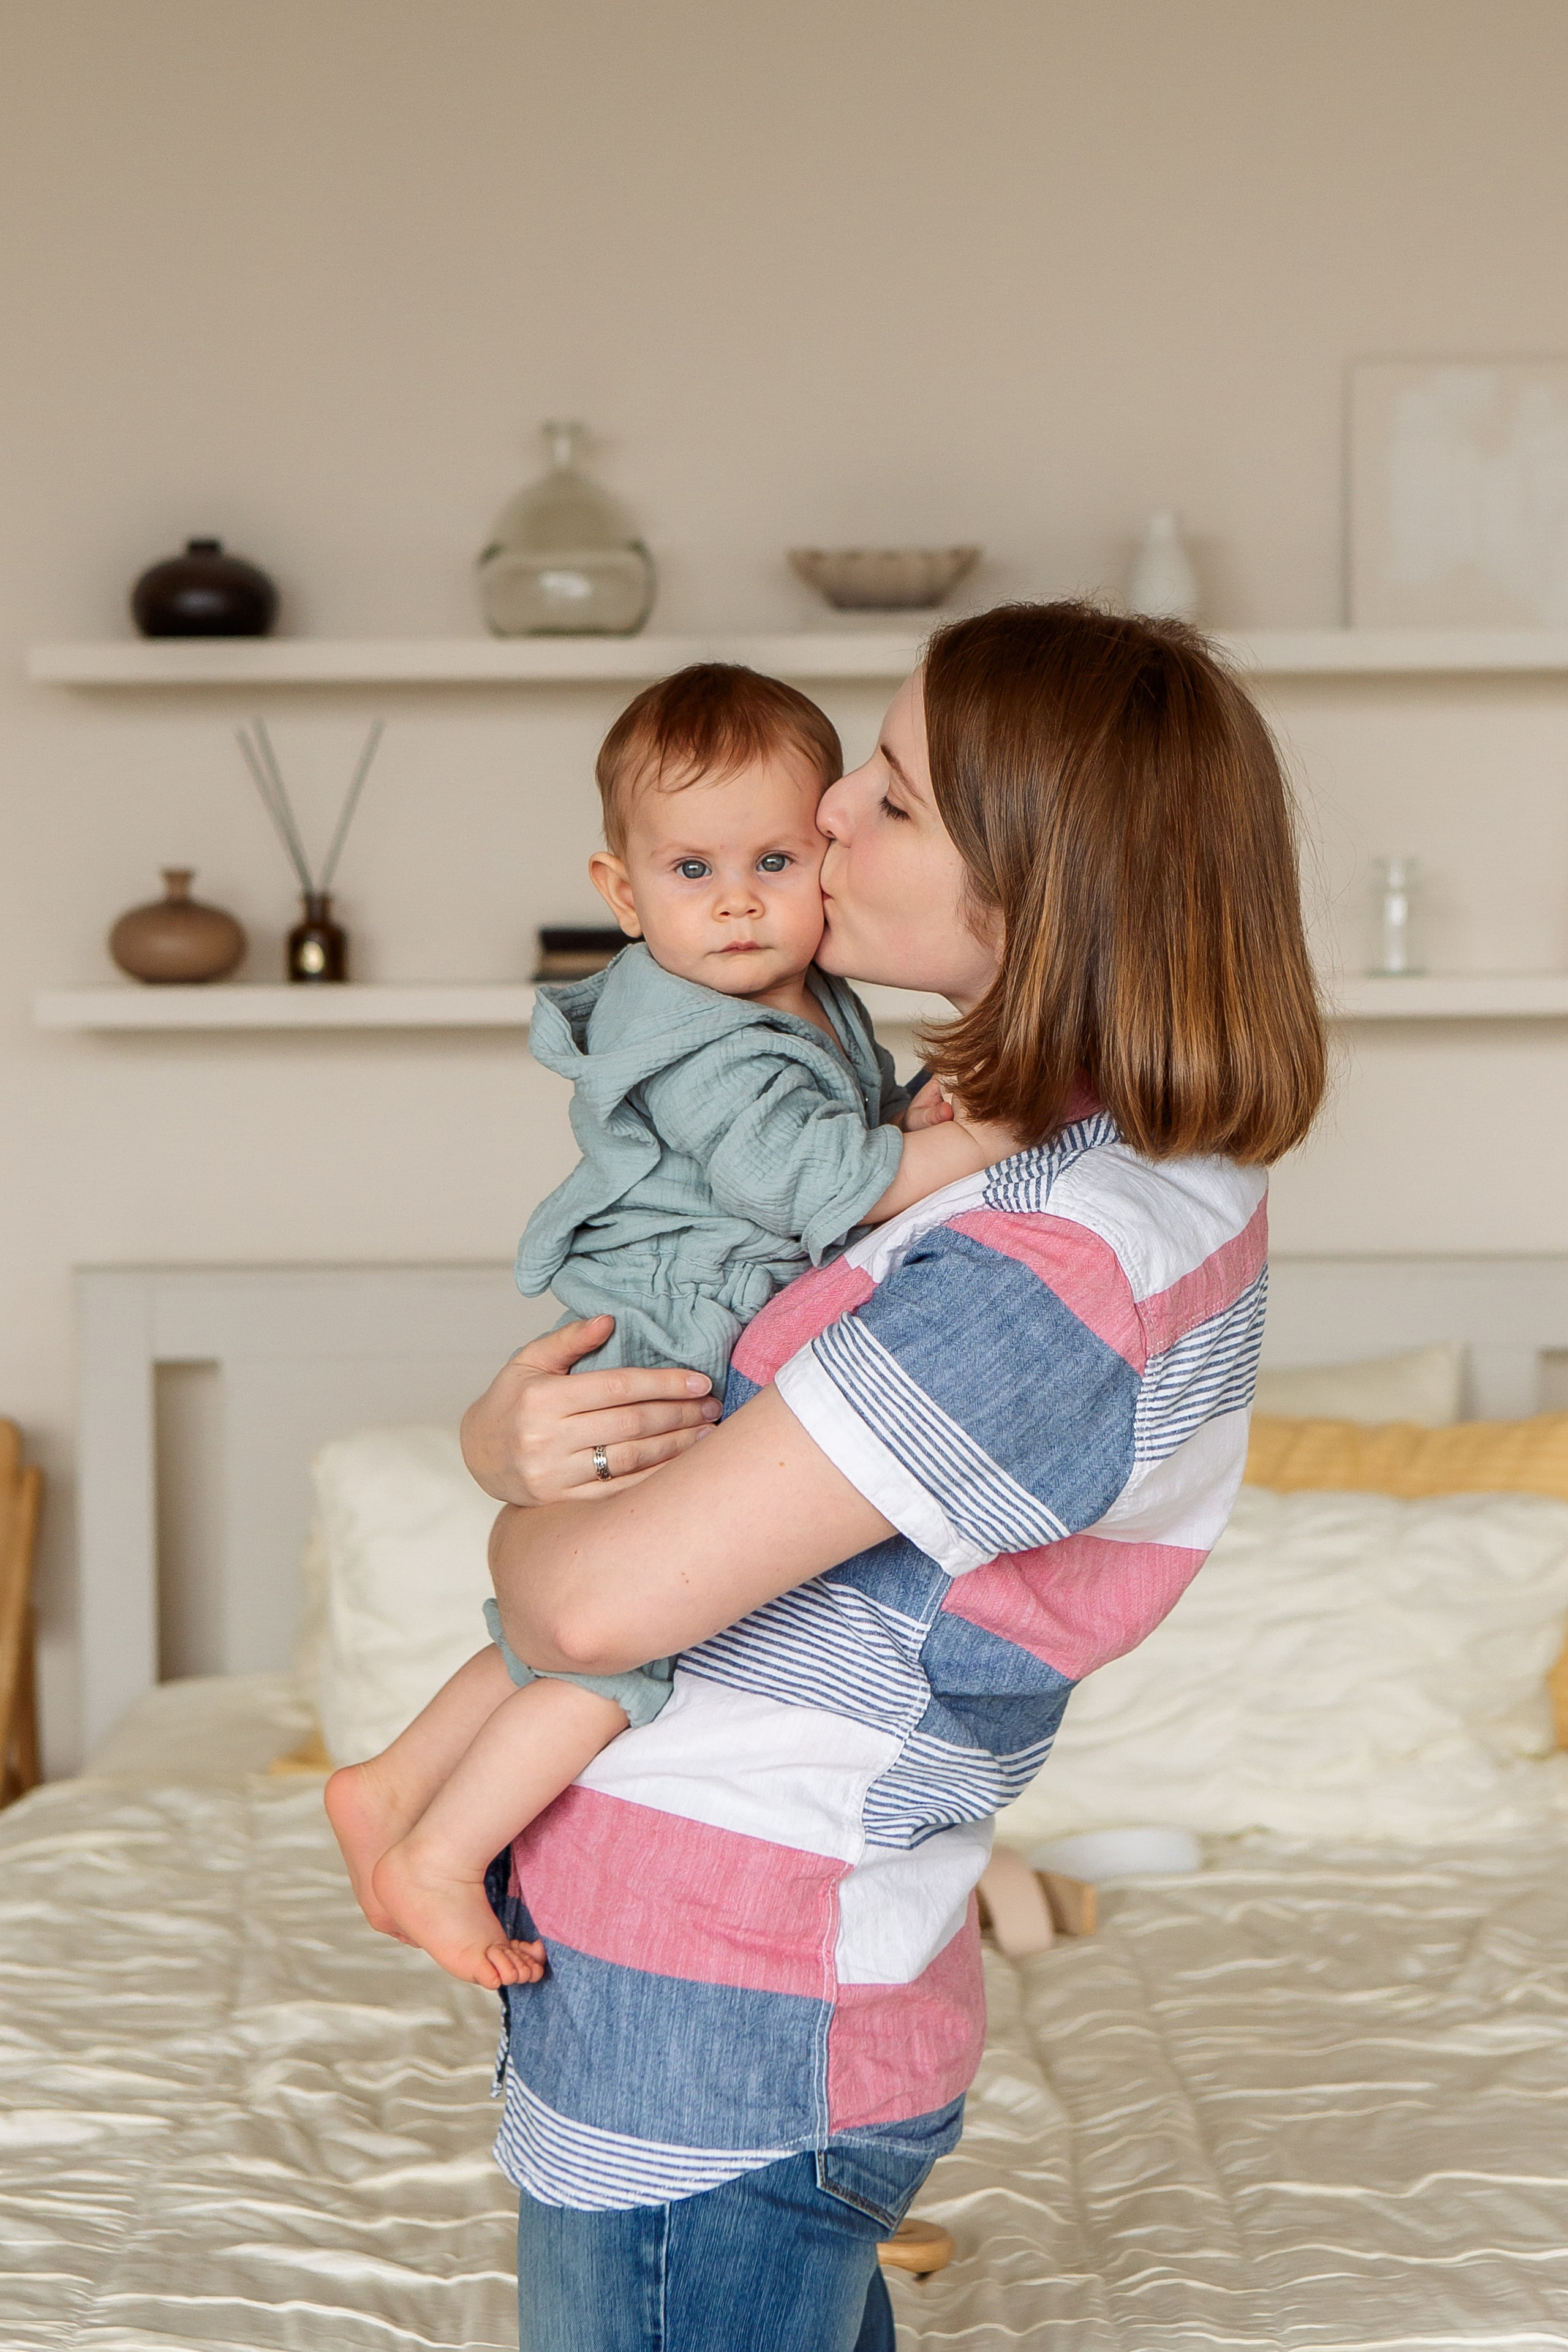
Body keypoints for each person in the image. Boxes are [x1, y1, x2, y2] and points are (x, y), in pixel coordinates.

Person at [458, 601, 1327, 2352]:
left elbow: (586, 1597)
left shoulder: (1053, 1259)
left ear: (1045, 886)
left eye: (898, 798)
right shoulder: (1034, 1154)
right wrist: (514, 1437)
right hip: (726, 1962)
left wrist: (510, 1493)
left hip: (728, 1991)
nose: (831, 818)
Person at [325, 665, 998, 1990]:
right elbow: (808, 1182)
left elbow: (834, 1137)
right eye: (692, 868)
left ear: (829, 859)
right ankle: (442, 1854)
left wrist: (899, 1119)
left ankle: (392, 1779)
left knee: (563, 1615)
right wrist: (993, 1134)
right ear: (623, 895)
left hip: (680, 1308)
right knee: (630, 1636)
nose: (739, 898)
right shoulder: (699, 1028)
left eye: (773, 857)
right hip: (675, 1331)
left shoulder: (784, 994)